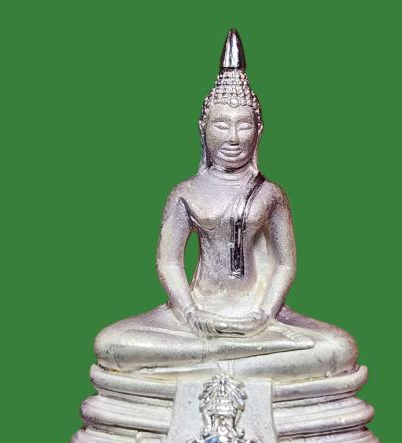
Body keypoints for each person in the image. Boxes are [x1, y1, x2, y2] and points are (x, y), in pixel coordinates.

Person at [95, 30, 357, 381]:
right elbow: (168, 261)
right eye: (221, 124)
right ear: (203, 128)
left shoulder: (270, 194)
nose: (233, 138)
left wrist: (264, 315)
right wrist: (191, 314)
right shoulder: (185, 193)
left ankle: (211, 359)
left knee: (339, 347)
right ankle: (239, 358)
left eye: (243, 125)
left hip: (257, 316)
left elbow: (285, 263)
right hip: (197, 314)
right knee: (112, 343)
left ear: (259, 130)